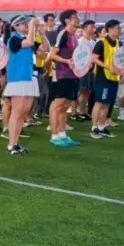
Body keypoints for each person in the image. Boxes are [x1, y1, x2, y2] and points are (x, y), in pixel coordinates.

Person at [3, 15, 40, 155]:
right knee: (17, 113)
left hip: (28, 78)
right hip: (18, 79)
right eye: (23, 23)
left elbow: (44, 48)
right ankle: (11, 144)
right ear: (15, 26)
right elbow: (30, 41)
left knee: (24, 113)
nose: (26, 25)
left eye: (27, 23)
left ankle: (16, 142)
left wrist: (40, 32)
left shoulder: (25, 39)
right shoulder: (14, 39)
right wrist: (32, 25)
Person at [47, 9, 81, 147]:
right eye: (75, 17)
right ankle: (54, 136)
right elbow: (52, 55)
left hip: (73, 74)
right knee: (58, 105)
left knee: (65, 105)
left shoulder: (74, 36)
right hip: (62, 75)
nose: (78, 19)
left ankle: (62, 135)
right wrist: (66, 61)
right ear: (67, 20)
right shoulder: (63, 34)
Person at [89, 19, 123, 139]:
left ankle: (102, 127)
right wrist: (108, 66)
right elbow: (94, 59)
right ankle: (94, 128)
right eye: (117, 28)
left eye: (120, 28)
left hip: (115, 77)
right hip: (102, 77)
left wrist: (122, 73)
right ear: (109, 29)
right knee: (99, 102)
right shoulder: (101, 43)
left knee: (107, 104)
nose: (119, 30)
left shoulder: (119, 43)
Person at [74, 20, 97, 121]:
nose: (93, 29)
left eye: (94, 27)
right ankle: (76, 112)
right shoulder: (80, 42)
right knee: (81, 91)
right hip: (82, 70)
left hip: (91, 70)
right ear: (84, 29)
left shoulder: (92, 42)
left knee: (88, 91)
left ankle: (82, 111)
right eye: (91, 27)